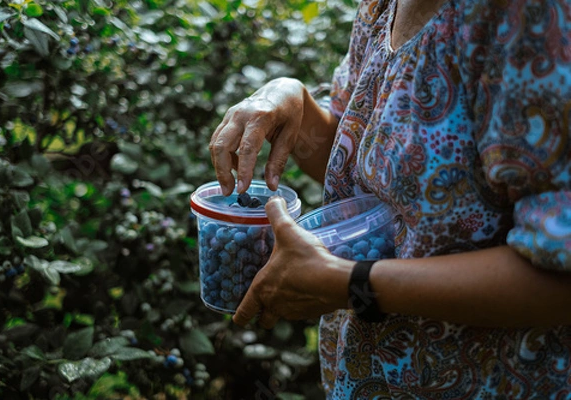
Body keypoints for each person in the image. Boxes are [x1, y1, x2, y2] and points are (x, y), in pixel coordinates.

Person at [209, 0, 571, 397]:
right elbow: (367, 168)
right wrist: (291, 99)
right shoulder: (383, 5)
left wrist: (351, 284)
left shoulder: (532, 18)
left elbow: (558, 274)